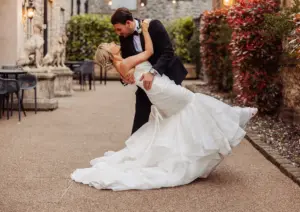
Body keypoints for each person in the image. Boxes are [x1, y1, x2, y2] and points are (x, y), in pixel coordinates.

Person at [70, 19, 258, 191]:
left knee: (185, 113)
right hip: (159, 88)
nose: (115, 42)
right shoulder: (125, 61)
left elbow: (138, 69)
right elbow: (149, 53)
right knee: (193, 103)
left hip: (158, 88)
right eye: (111, 44)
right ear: (110, 53)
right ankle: (233, 117)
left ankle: (224, 127)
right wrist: (145, 30)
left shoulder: (123, 64)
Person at [110, 8, 188, 134]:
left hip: (167, 77)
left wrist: (152, 73)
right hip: (144, 83)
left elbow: (168, 52)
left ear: (129, 23)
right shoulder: (124, 38)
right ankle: (135, 148)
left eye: (119, 29)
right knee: (140, 115)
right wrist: (125, 77)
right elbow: (128, 62)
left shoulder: (153, 26)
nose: (118, 33)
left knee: (175, 112)